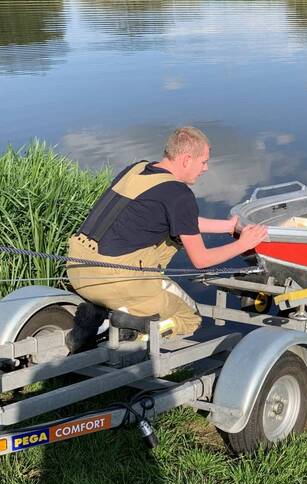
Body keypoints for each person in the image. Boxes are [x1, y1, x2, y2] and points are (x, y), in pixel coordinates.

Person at [66, 126, 266, 340]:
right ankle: (133, 331)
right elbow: (202, 260)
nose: (206, 168)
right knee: (190, 319)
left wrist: (226, 227)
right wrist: (243, 244)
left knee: (172, 234)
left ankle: (96, 316)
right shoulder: (179, 194)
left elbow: (181, 220)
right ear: (187, 159)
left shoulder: (137, 169)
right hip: (117, 281)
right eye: (204, 161)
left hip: (79, 270)